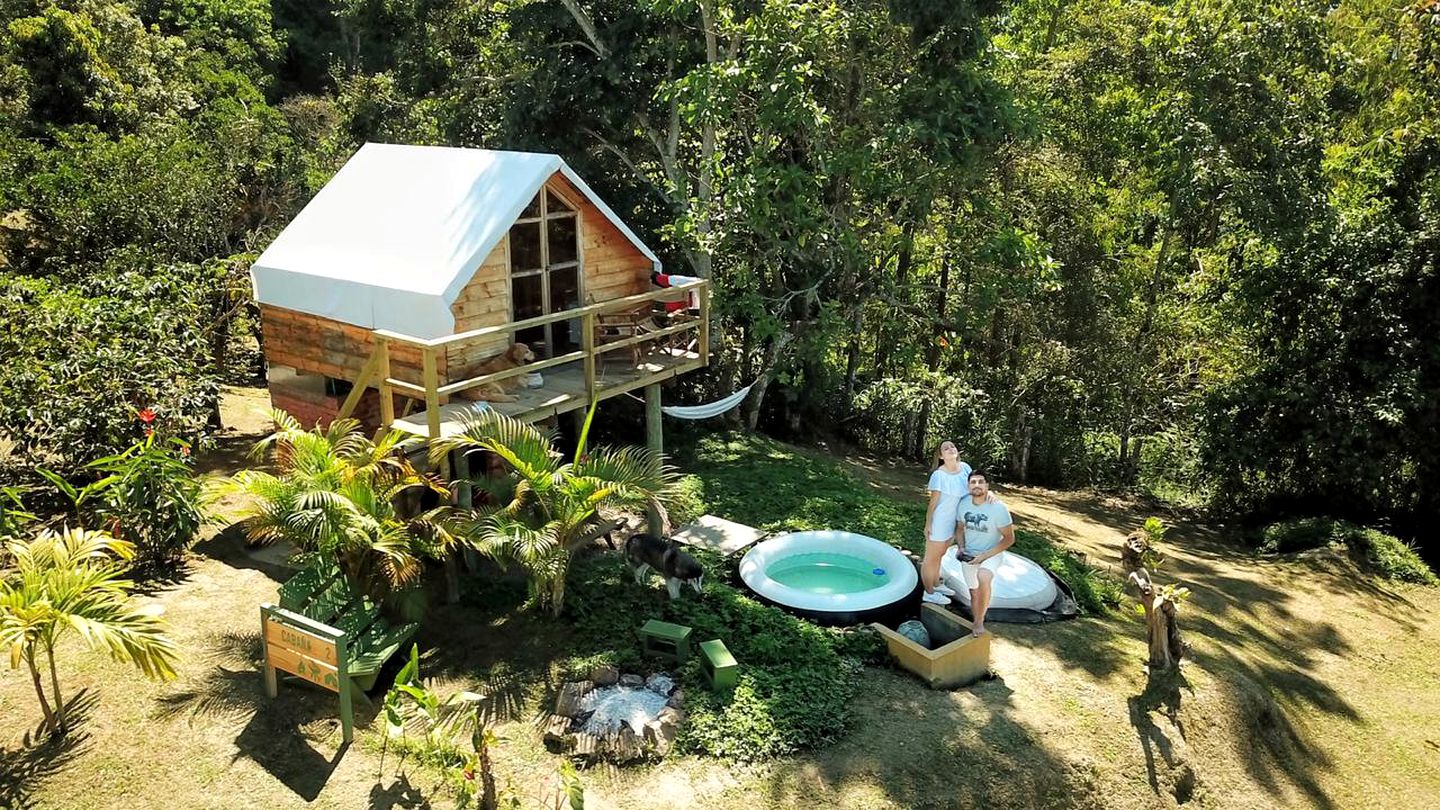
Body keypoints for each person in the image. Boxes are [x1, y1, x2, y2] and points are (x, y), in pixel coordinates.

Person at [954, 469, 1014, 636]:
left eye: (981, 482)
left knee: (984, 577)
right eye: (973, 482)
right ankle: (976, 619)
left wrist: (985, 556)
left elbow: (1009, 539)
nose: (977, 485)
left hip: (991, 554)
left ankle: (979, 622)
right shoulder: (963, 504)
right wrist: (961, 547)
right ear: (968, 486)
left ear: (987, 485)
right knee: (973, 591)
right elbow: (959, 529)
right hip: (970, 554)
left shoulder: (998, 508)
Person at [920, 441, 973, 605]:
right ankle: (928, 593)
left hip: (955, 521)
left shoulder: (965, 468)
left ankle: (936, 584)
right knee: (931, 558)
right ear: (941, 456)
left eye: (952, 446)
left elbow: (973, 490)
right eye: (945, 448)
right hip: (940, 521)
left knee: (941, 554)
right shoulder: (939, 475)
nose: (950, 449)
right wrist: (928, 524)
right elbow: (933, 503)